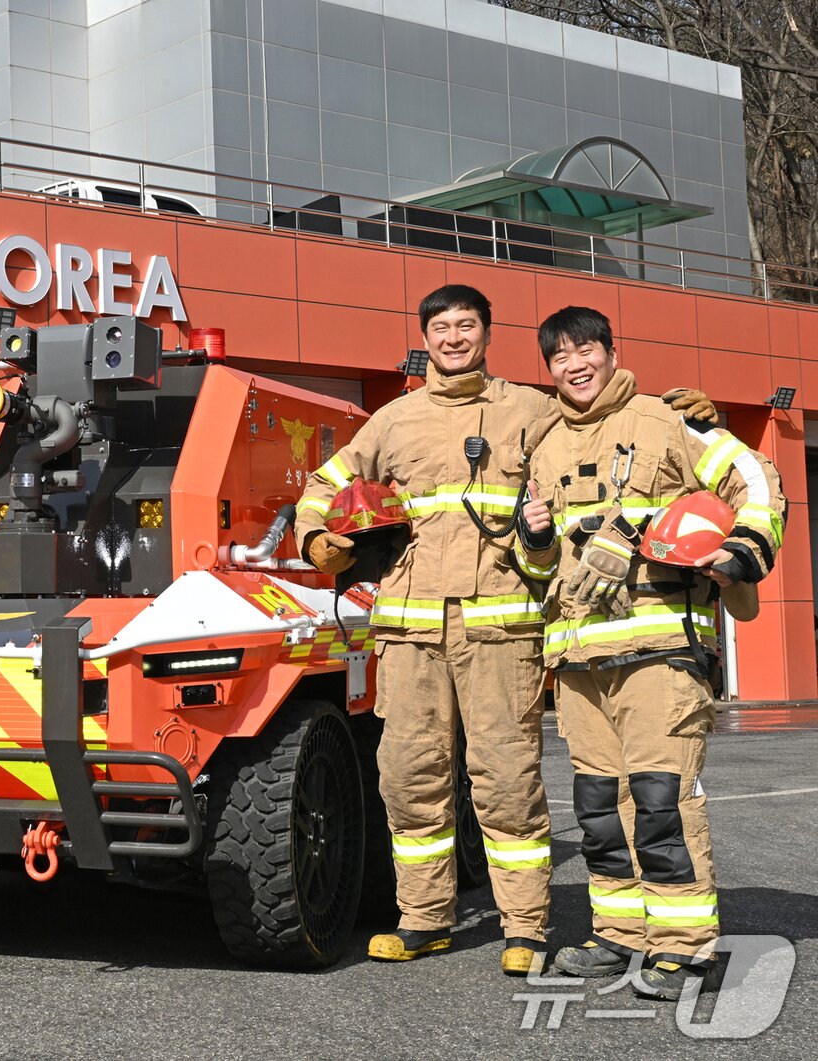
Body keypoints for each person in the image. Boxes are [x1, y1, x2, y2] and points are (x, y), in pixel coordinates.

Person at [294, 285, 718, 976]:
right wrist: (317, 538)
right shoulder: (392, 420)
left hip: (503, 630)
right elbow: (324, 484)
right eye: (440, 327)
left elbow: (602, 419)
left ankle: (524, 925)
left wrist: (688, 417)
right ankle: (423, 917)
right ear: (424, 339)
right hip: (409, 634)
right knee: (409, 778)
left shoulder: (533, 409)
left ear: (488, 335)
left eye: (466, 325)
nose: (453, 337)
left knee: (508, 782)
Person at [518, 306, 784, 1000]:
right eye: (559, 357)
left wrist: (742, 551)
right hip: (579, 661)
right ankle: (619, 935)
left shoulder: (669, 420)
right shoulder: (544, 445)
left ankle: (685, 949)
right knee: (600, 808)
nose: (574, 365)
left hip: (660, 651)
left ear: (611, 352)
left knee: (661, 802)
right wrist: (535, 537)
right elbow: (539, 566)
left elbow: (755, 479)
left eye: (585, 350)